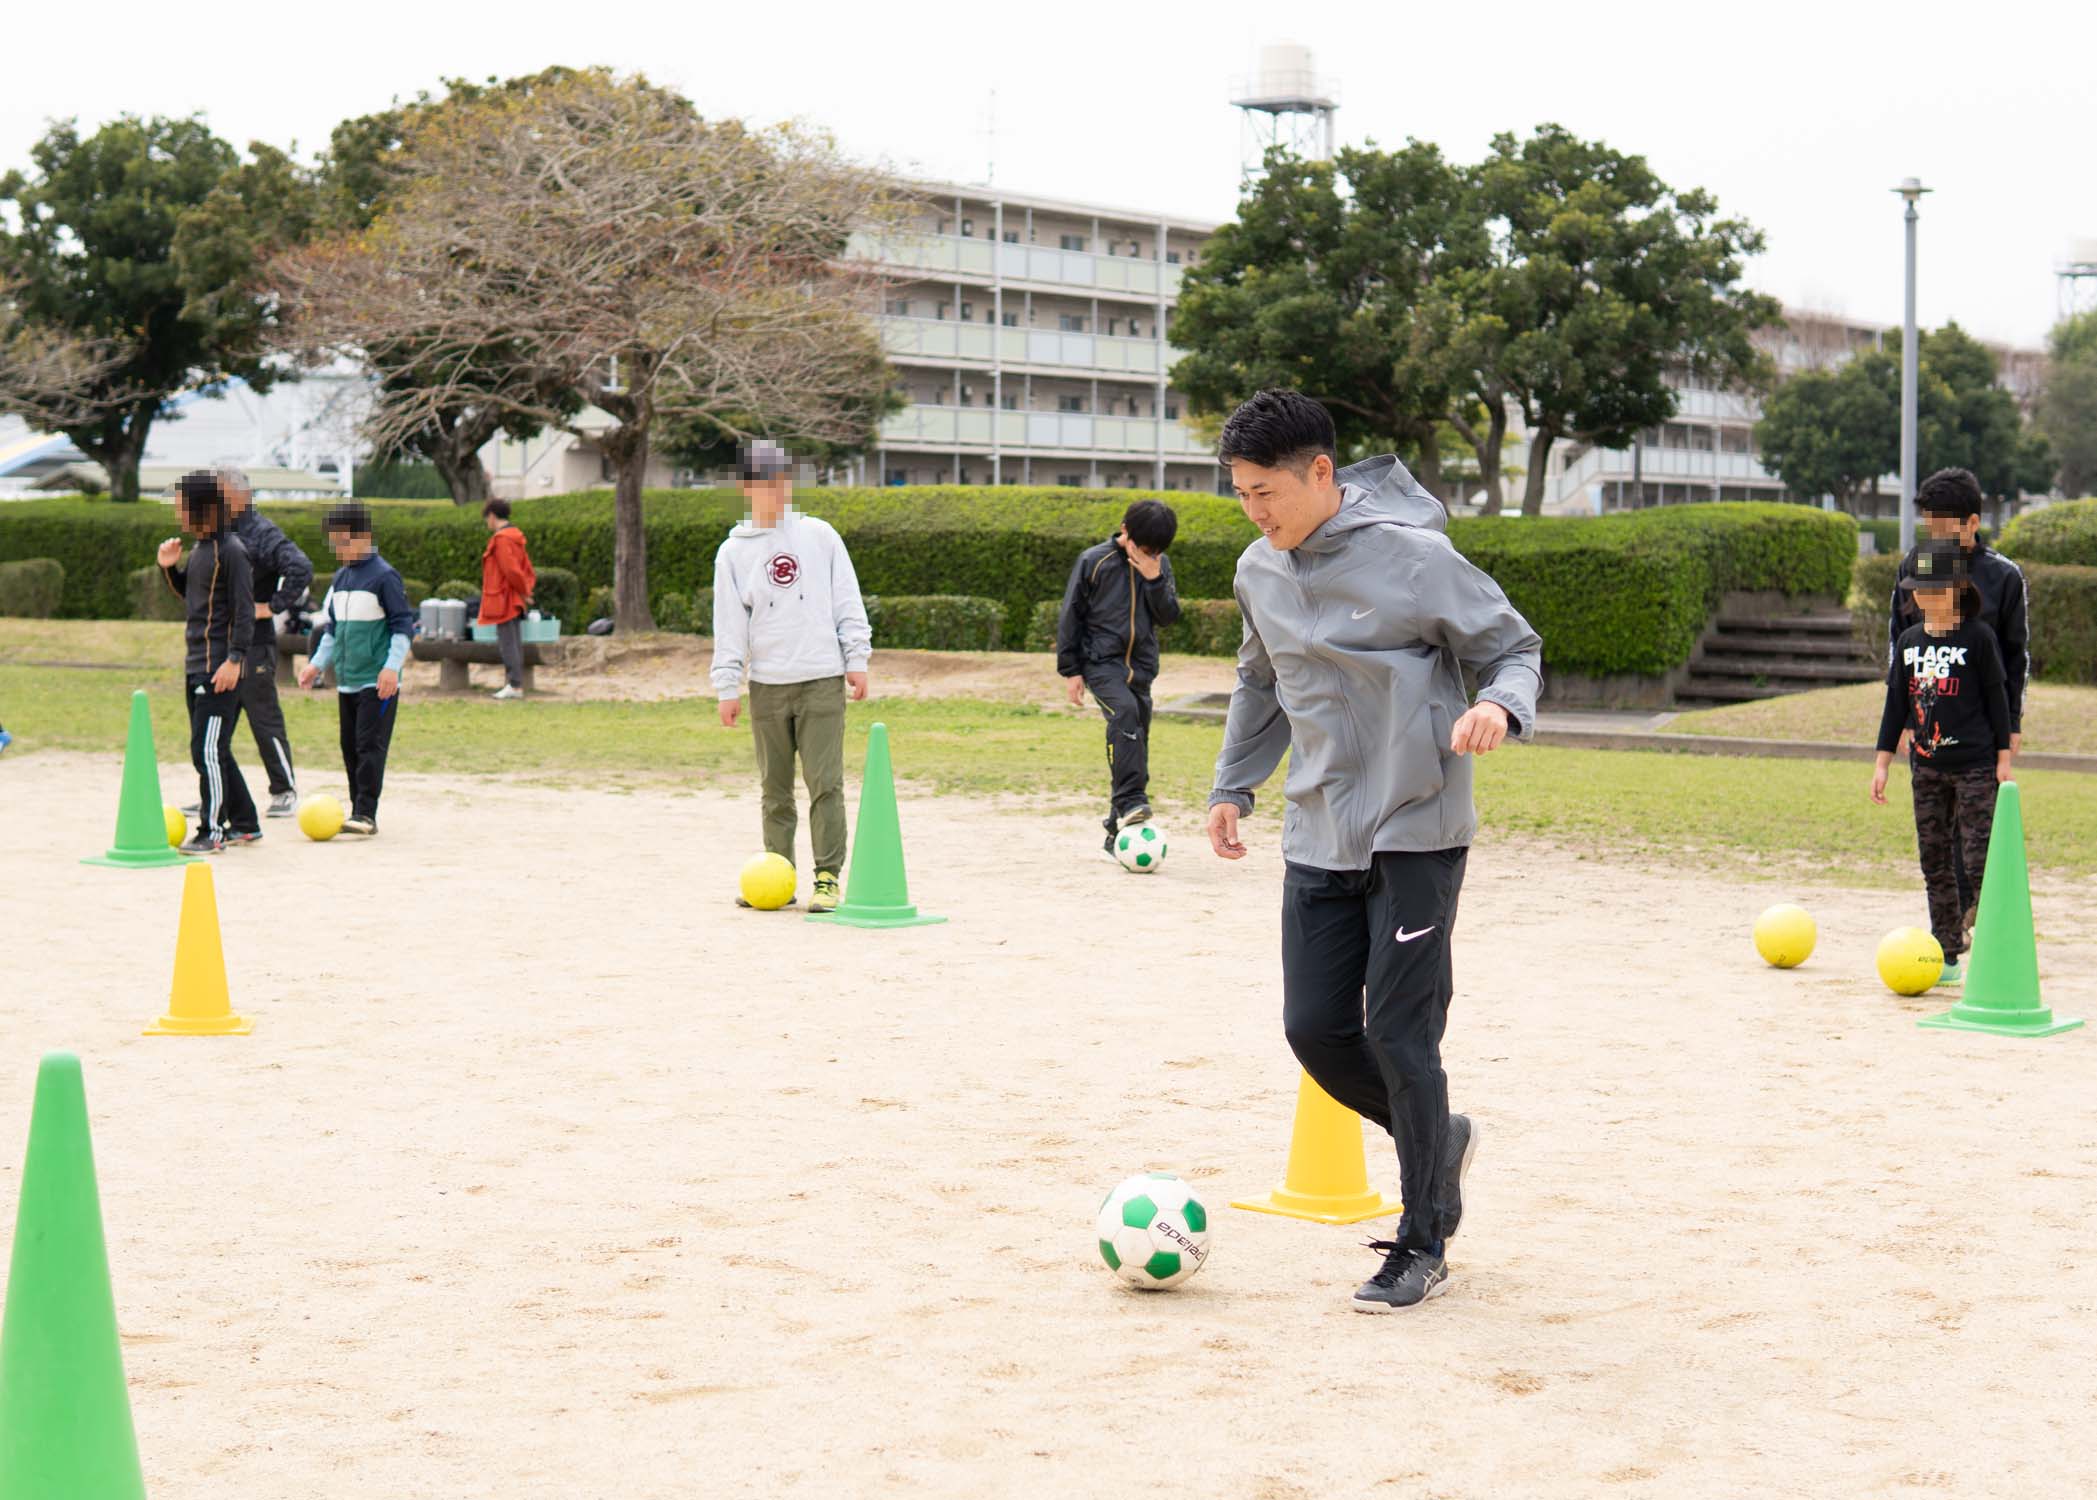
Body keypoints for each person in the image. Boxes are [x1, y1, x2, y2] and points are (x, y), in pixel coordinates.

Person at [1203, 390, 1542, 1314]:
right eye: (1240, 493)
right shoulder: (1257, 570)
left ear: (1321, 473)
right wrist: (1233, 785)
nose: (1254, 511)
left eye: (1266, 491)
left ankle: (1422, 1240)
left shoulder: (1416, 560)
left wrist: (1497, 703)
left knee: (1400, 1036)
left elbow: (1514, 647)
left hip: (1415, 826)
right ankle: (1439, 1137)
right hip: (1318, 828)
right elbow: (1259, 682)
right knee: (1313, 1029)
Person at [709, 440, 872, 914]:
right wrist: (727, 685)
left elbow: (847, 598)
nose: (778, 491)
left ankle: (828, 878)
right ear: (746, 488)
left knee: (826, 784)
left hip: (821, 677)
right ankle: (777, 877)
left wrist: (857, 658)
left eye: (783, 482)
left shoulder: (820, 535)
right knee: (774, 790)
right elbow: (729, 625)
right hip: (767, 685)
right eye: (767, 484)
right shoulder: (732, 553)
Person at [1887, 466, 2030, 924]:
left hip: (1980, 729)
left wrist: (2011, 725)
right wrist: (1904, 718)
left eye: (1946, 529)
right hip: (1929, 721)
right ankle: (1951, 925)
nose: (1937, 539)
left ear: (1972, 523)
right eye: (1930, 529)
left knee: (1976, 827)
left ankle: (1979, 911)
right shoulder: (1917, 566)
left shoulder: (2003, 576)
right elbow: (1900, 643)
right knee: (1936, 828)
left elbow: (2015, 658)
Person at [1871, 539, 2013, 987]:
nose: (1923, 597)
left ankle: (1997, 949)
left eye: (1934, 589)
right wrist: (1882, 763)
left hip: (1975, 766)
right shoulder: (1909, 643)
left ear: (1956, 589)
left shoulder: (1978, 638)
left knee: (1979, 859)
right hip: (1926, 768)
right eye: (1918, 590)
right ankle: (1946, 952)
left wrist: (2003, 757)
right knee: (1934, 860)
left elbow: (1997, 700)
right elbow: (1896, 707)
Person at [1056, 499, 1182, 854]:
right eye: (1144, 547)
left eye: (1156, 551)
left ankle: (1116, 829)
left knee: (1135, 743)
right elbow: (1071, 615)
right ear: (1125, 530)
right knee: (1124, 715)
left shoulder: (1159, 565)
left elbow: (1169, 616)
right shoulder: (1094, 561)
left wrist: (1154, 579)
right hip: (1101, 664)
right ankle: (1130, 801)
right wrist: (1071, 670)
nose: (1149, 555)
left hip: (1142, 668)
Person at [157, 470, 260, 853]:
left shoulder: (231, 550)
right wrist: (170, 568)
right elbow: (194, 598)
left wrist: (235, 659)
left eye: (182, 506)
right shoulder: (201, 550)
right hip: (197, 665)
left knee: (206, 751)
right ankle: (245, 824)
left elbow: (245, 611)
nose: (178, 514)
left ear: (203, 509)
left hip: (219, 669)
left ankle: (212, 831)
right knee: (215, 749)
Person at [297, 502, 415, 836]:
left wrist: (391, 668)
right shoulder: (341, 578)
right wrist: (316, 665)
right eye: (334, 542)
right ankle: (357, 811)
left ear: (363, 536)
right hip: (347, 681)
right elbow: (333, 630)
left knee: (369, 745)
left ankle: (366, 813)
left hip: (377, 682)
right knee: (349, 747)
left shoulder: (384, 577)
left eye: (343, 541)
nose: (338, 549)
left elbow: (403, 628)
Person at [221, 465, 312, 816]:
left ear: (239, 496)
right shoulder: (217, 532)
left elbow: (300, 567)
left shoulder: (262, 532)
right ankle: (217, 790)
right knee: (215, 722)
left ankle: (284, 790)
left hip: (255, 645)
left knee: (263, 718)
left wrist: (270, 607)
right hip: (220, 643)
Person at [478, 498, 538, 700]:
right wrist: (526, 590)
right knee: (514, 641)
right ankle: (515, 684)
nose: (487, 523)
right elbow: (526, 569)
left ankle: (514, 684)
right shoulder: (516, 537)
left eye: (487, 518)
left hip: (505, 599)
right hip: (515, 598)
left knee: (508, 643)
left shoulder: (502, 539)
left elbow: (511, 570)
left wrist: (524, 591)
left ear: (492, 516)